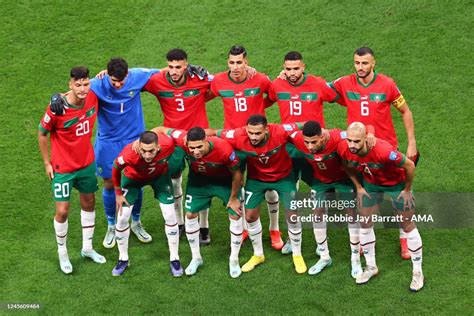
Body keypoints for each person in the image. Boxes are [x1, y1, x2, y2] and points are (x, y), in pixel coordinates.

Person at [330, 47, 419, 259]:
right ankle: (366, 239)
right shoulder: (344, 83)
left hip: (385, 150)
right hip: (359, 151)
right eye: (357, 63)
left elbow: (405, 111)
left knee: (399, 197)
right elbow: (318, 89)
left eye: (364, 63)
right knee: (366, 197)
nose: (360, 67)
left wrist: (412, 142)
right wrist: (285, 77)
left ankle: (405, 238)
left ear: (373, 63)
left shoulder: (387, 84)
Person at [210, 114, 306, 274]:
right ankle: (258, 254)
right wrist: (189, 138)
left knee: (293, 214)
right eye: (250, 133)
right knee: (249, 217)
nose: (253, 137)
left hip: (283, 178)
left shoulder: (281, 131)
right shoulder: (238, 135)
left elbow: (304, 124)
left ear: (266, 130)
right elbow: (213, 132)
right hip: (256, 179)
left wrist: (325, 134)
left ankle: (297, 254)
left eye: (257, 133)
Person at [209, 45, 283, 250]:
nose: (235, 67)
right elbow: (205, 93)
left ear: (246, 62)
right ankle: (242, 228)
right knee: (237, 182)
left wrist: (258, 100)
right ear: (227, 63)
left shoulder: (260, 79)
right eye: (231, 62)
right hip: (233, 143)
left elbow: (275, 95)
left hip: (260, 141)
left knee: (268, 184)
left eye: (239, 62)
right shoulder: (219, 81)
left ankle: (274, 229)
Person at [268, 51, 341, 253]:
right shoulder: (277, 85)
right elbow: (266, 98)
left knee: (320, 192)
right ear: (283, 68)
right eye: (288, 69)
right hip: (290, 148)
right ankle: (294, 239)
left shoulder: (318, 84)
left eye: (296, 68)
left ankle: (322, 242)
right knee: (290, 195)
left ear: (303, 67)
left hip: (315, 149)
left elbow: (339, 97)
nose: (292, 73)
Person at [337, 122, 423, 291]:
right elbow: (346, 165)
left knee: (408, 226)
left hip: (396, 185)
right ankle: (371, 267)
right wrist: (359, 187)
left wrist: (406, 190)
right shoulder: (344, 149)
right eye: (349, 140)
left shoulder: (384, 151)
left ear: (365, 139)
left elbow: (410, 165)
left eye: (356, 141)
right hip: (371, 185)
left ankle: (418, 273)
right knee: (365, 224)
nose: (352, 145)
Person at [143, 48, 215, 245]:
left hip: (198, 139)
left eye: (178, 67)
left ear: (186, 66)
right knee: (174, 181)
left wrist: (248, 68)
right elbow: (128, 80)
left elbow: (226, 79)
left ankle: (204, 226)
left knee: (202, 180)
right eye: (170, 66)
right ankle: (180, 222)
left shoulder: (200, 79)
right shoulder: (157, 80)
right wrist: (104, 76)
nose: (174, 71)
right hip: (173, 141)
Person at [38, 66, 105, 274]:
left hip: (86, 164)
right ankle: (62, 253)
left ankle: (87, 248)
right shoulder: (56, 108)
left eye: (86, 84)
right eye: (78, 85)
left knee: (89, 203)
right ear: (70, 85)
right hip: (63, 169)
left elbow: (108, 78)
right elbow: (42, 133)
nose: (83, 88)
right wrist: (47, 163)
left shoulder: (93, 95)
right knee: (63, 211)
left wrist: (102, 73)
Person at [153, 126, 244, 278]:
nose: (195, 151)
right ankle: (196, 258)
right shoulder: (182, 140)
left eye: (199, 147)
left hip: (224, 182)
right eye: (192, 147)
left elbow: (237, 174)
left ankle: (234, 259)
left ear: (206, 140)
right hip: (199, 182)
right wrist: (142, 139)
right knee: (190, 214)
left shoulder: (224, 149)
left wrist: (234, 198)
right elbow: (161, 129)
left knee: (235, 214)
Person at [289, 121, 364, 277]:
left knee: (351, 213)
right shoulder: (296, 137)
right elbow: (280, 133)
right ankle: (324, 257)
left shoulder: (339, 138)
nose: (309, 147)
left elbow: (358, 136)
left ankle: (355, 259)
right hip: (321, 181)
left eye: (314, 142)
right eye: (306, 142)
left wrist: (369, 135)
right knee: (317, 213)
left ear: (322, 137)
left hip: (344, 180)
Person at [111, 131, 182, 277]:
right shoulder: (130, 154)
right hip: (133, 180)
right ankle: (122, 258)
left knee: (170, 215)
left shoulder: (168, 144)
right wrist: (118, 194)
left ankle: (175, 258)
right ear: (139, 146)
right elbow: (116, 168)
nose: (148, 155)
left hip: (160, 178)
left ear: (158, 147)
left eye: (151, 151)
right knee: (123, 217)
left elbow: (177, 134)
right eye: (144, 151)